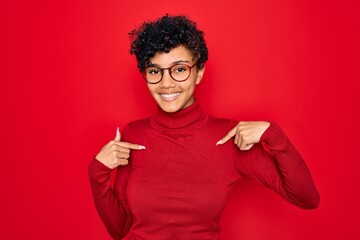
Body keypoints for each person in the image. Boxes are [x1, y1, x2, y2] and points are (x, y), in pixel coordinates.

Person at [88, 14, 320, 240]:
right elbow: (119, 229)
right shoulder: (133, 134)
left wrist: (273, 134)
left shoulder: (228, 138)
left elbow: (306, 198)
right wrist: (97, 172)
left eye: (179, 69)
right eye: (155, 71)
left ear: (199, 73)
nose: (166, 83)